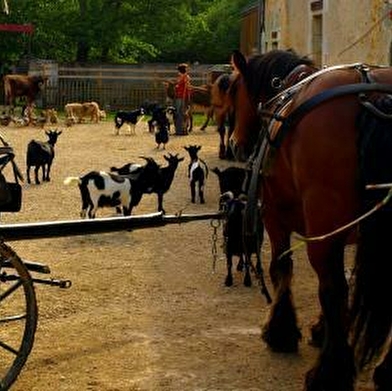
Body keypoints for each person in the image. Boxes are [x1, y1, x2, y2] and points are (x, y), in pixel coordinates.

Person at [174, 63, 191, 135]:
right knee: (180, 113)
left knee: (180, 113)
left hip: (181, 97)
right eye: (186, 68)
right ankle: (180, 130)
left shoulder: (184, 77)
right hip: (179, 97)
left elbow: (185, 88)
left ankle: (180, 131)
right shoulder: (183, 77)